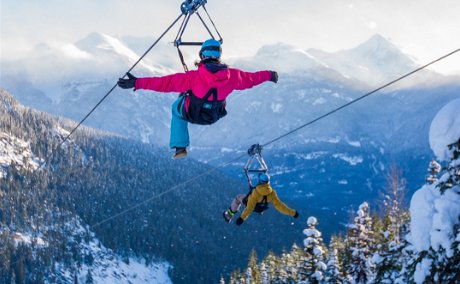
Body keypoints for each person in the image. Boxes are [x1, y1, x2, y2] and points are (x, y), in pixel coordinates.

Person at [117, 39, 278, 159]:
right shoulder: (233, 76)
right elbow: (252, 78)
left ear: (202, 55)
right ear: (219, 56)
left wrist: (137, 82)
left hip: (192, 114)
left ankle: (180, 147)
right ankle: (180, 145)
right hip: (213, 115)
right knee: (188, 102)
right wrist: (269, 75)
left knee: (176, 108)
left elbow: (164, 83)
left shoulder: (193, 78)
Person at [223, 173, 299, 225]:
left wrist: (241, 218)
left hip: (253, 205)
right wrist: (293, 213)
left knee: (238, 198)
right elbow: (280, 206)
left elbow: (249, 208)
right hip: (261, 208)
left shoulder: (256, 193)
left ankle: (229, 215)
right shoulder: (272, 193)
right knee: (255, 201)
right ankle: (259, 210)